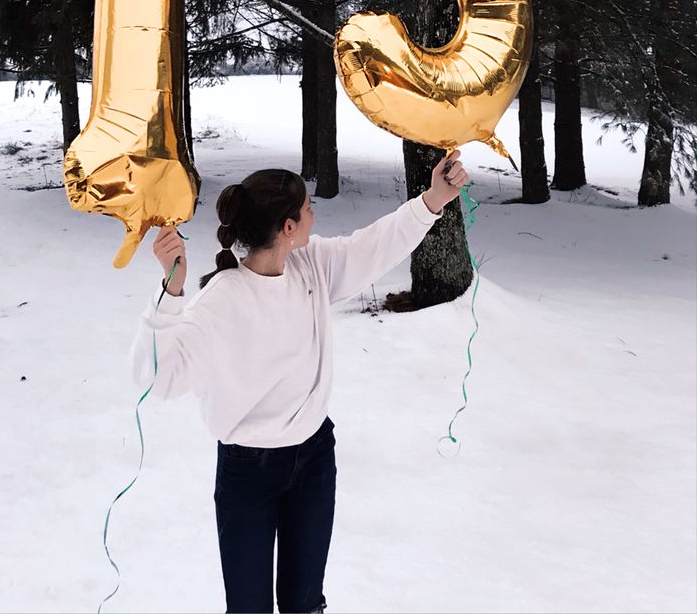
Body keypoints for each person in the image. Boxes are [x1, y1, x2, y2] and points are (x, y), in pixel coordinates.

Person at [132, 150, 469, 614]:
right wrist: (170, 292)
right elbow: (157, 378)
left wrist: (434, 199)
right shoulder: (221, 301)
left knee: (304, 603)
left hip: (312, 460)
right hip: (248, 473)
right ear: (288, 227)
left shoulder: (310, 266)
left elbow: (372, 246)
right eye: (308, 208)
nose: (315, 214)